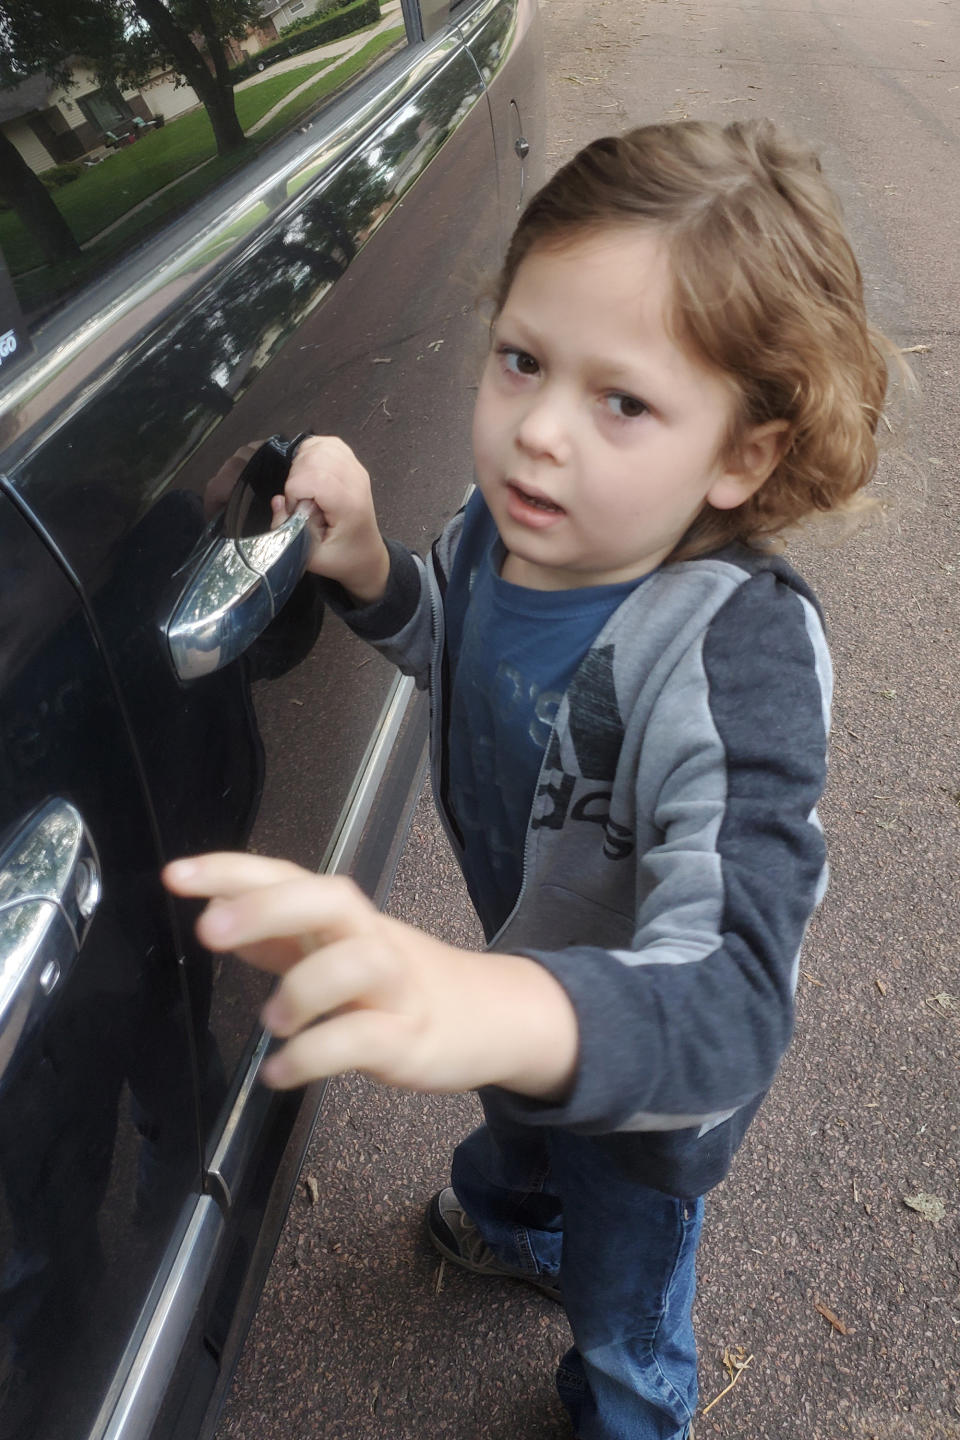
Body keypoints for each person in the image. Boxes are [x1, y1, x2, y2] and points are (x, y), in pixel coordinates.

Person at [163, 119, 895, 1440]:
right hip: (532, 955)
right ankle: (512, 1220)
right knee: (513, 1119)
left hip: (650, 1076)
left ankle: (629, 1406)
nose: (539, 433)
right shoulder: (505, 536)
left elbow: (733, 998)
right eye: (520, 360)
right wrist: (377, 565)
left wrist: (499, 997)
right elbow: (455, 647)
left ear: (744, 454)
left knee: (624, 1295)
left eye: (624, 401)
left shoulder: (737, 655)